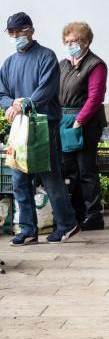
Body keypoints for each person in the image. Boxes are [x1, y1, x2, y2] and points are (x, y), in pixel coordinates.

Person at [0, 12, 80, 245]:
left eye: (20, 32)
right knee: (19, 179)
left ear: (31, 31)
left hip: (44, 125)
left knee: (50, 177)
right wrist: (11, 104)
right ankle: (27, 229)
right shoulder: (9, 63)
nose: (16, 37)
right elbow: (2, 93)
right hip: (19, 127)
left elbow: (46, 90)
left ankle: (67, 224)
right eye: (12, 33)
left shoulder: (46, 56)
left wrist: (23, 103)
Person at [58, 21, 108, 231]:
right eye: (67, 41)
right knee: (70, 169)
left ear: (86, 42)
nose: (71, 44)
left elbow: (95, 97)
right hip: (64, 120)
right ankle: (76, 212)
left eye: (75, 41)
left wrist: (81, 120)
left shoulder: (95, 64)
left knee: (86, 168)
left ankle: (93, 214)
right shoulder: (64, 64)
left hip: (85, 122)